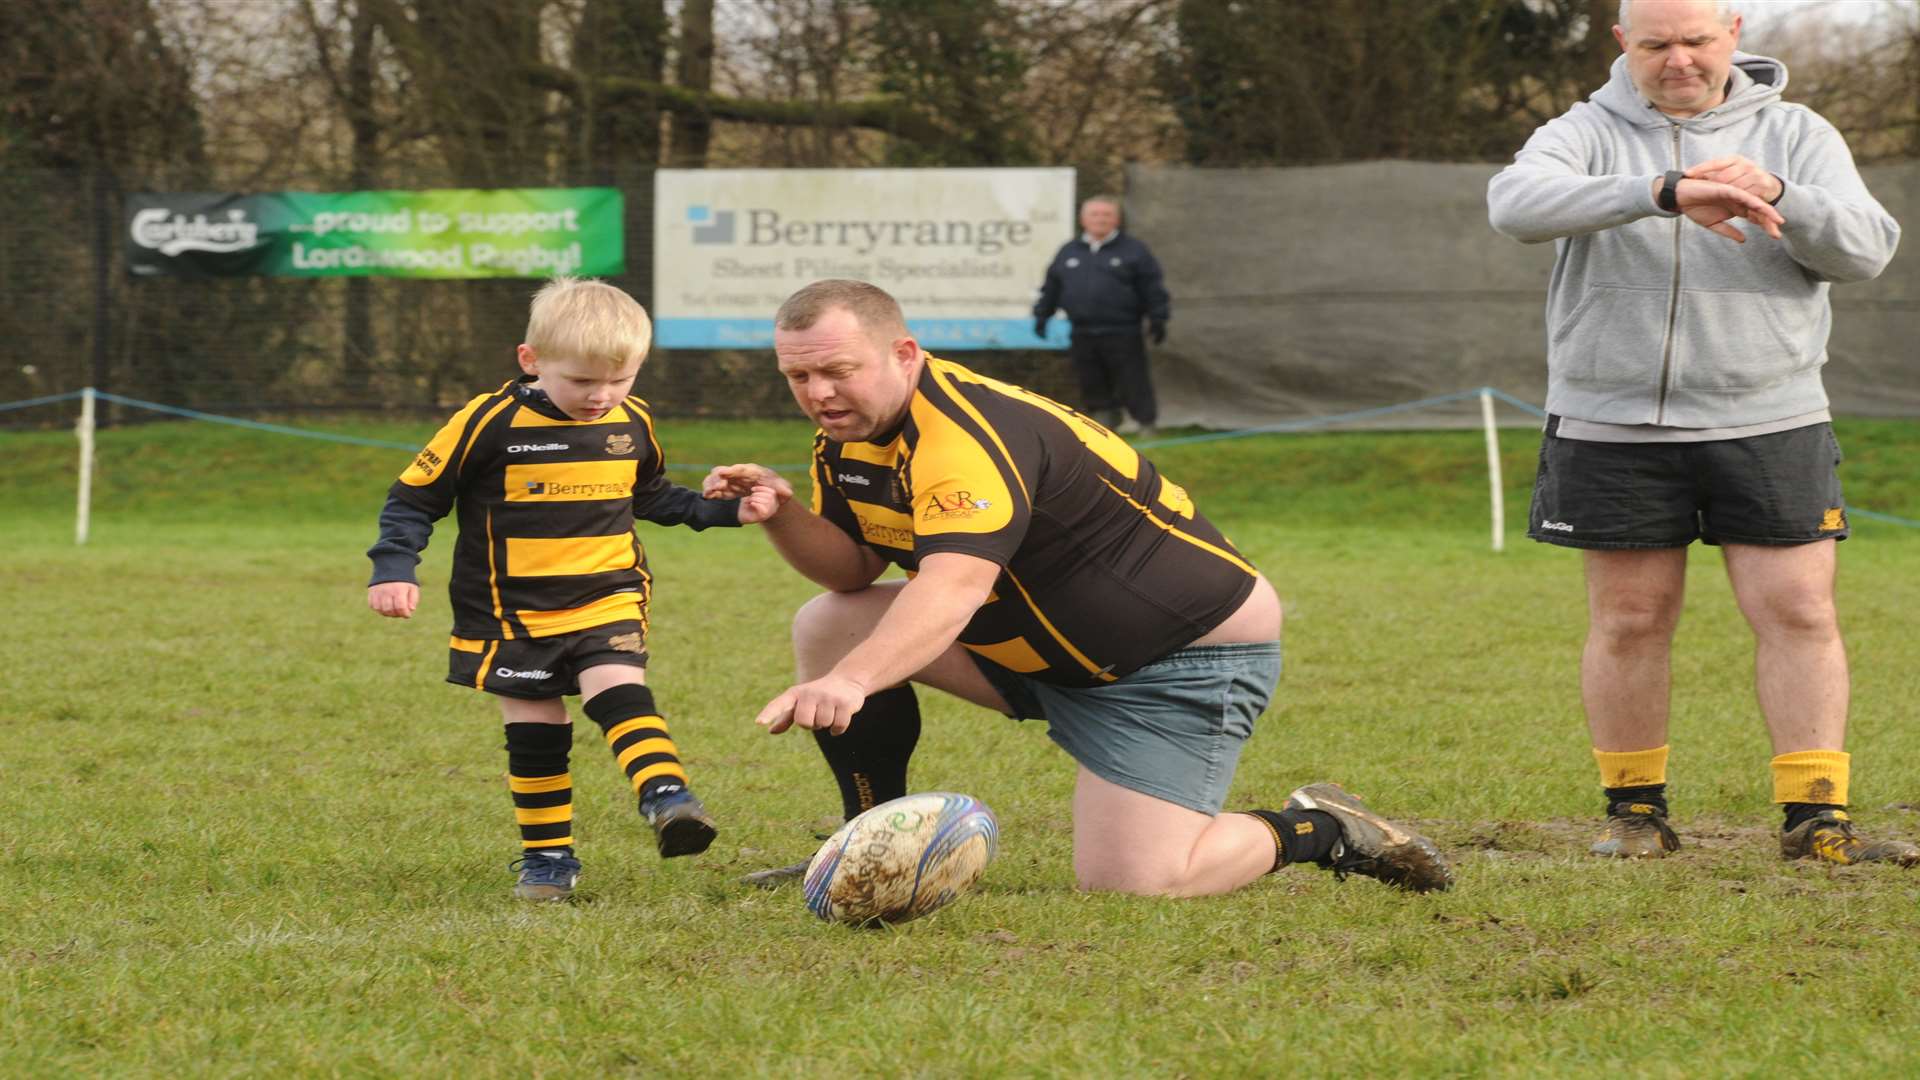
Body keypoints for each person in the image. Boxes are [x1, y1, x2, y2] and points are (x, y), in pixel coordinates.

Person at [707, 278, 1451, 897]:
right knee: (831, 619)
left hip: (1173, 665)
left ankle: (1324, 826)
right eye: (800, 376)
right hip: (1036, 649)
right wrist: (783, 513)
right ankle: (866, 848)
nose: (819, 392)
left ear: (904, 353)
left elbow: (955, 586)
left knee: (1139, 883)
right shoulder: (849, 433)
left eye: (839, 370)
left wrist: (854, 680)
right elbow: (852, 571)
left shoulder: (964, 439)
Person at [1487, 0, 1910, 865]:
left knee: (1799, 610)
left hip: (1770, 413)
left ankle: (1816, 817)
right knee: (1631, 619)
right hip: (1611, 420)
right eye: (1656, 44)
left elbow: (1869, 249)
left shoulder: (1797, 133)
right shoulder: (1582, 130)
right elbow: (1515, 204)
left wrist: (1779, 191)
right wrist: (1661, 192)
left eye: (1695, 40)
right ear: (1622, 46)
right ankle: (1635, 814)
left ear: (1734, 36)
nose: (1677, 59)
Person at [366, 276, 782, 901]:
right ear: (530, 361)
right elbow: (412, 499)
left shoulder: (632, 421)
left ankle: (668, 798)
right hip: (508, 611)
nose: (602, 396)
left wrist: (725, 512)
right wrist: (395, 567)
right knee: (536, 731)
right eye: (583, 381)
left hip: (608, 591)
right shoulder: (487, 422)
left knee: (617, 688)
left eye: (621, 381)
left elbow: (650, 496)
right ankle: (548, 859)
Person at [1032, 195, 1171, 439]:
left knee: (1133, 380)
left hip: (1123, 330)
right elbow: (1052, 286)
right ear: (1083, 219)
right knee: (1091, 380)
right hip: (1081, 330)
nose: (1100, 220)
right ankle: (1105, 421)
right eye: (1095, 214)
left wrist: (1158, 318)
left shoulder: (1134, 251)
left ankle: (1145, 423)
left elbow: (1152, 288)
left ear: (1116, 220)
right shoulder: (1069, 251)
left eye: (1106, 215)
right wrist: (1043, 315)